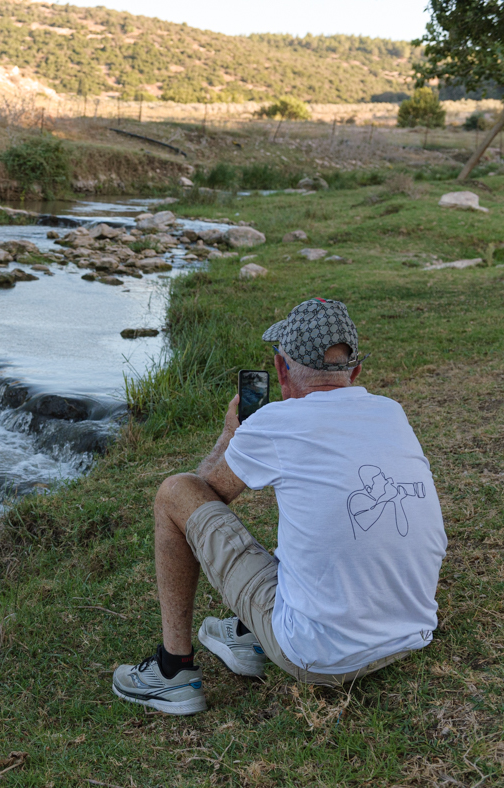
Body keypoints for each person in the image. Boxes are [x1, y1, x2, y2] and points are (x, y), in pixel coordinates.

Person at [111, 298, 447, 715]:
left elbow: (199, 496)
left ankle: (172, 672)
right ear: (355, 372)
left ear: (282, 370)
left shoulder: (275, 423)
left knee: (172, 493)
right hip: (410, 632)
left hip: (319, 656)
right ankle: (247, 635)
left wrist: (230, 435)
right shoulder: (391, 413)